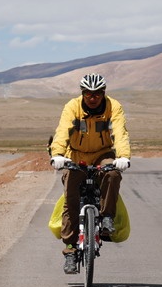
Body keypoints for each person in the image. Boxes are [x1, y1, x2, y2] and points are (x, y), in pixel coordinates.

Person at [49, 73, 131, 274]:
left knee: (112, 175)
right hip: (76, 155)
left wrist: (123, 157)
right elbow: (62, 132)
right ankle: (69, 250)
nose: (92, 98)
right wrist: (58, 154)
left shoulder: (114, 107)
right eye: (88, 94)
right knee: (71, 197)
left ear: (103, 93)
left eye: (97, 94)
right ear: (82, 94)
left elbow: (120, 133)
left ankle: (106, 218)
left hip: (102, 153)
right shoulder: (72, 107)